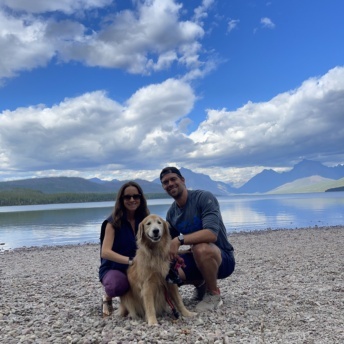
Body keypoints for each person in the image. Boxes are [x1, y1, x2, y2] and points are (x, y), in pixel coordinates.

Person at [159, 166, 235, 312]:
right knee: (165, 266)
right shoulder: (172, 213)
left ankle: (213, 294)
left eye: (173, 179)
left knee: (201, 248)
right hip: (196, 258)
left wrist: (179, 240)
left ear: (182, 180)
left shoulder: (204, 198)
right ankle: (200, 284)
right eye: (165, 182)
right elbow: (167, 242)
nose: (170, 184)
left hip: (222, 258)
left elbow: (212, 234)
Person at [99, 181, 150, 316]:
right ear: (121, 200)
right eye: (127, 197)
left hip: (140, 266)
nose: (132, 200)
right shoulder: (112, 222)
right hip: (116, 268)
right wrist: (130, 261)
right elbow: (105, 252)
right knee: (117, 285)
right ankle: (108, 298)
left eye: (136, 196)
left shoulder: (145, 220)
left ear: (141, 198)